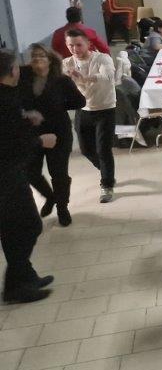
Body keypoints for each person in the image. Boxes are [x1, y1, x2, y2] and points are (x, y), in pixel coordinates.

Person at [1, 50, 58, 304]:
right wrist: (40, 140)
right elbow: (7, 143)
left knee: (15, 227)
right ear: (12, 71)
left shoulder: (7, 95)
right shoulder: (5, 100)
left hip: (11, 170)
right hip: (6, 173)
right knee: (27, 226)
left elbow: (10, 130)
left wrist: (26, 121)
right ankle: (16, 286)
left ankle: (24, 277)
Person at [18, 44, 84, 227]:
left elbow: (80, 101)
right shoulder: (23, 78)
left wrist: (60, 107)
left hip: (59, 132)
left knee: (59, 173)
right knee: (31, 172)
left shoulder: (61, 80)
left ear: (50, 59)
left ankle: (63, 208)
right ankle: (50, 197)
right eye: (34, 56)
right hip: (33, 132)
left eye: (41, 56)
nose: (37, 59)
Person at [64, 28, 117, 203]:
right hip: (84, 109)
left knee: (103, 149)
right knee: (86, 150)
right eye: (71, 45)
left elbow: (107, 75)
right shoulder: (67, 63)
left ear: (88, 44)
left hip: (105, 108)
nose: (75, 49)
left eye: (78, 45)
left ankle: (107, 184)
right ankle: (106, 171)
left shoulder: (102, 58)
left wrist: (84, 78)